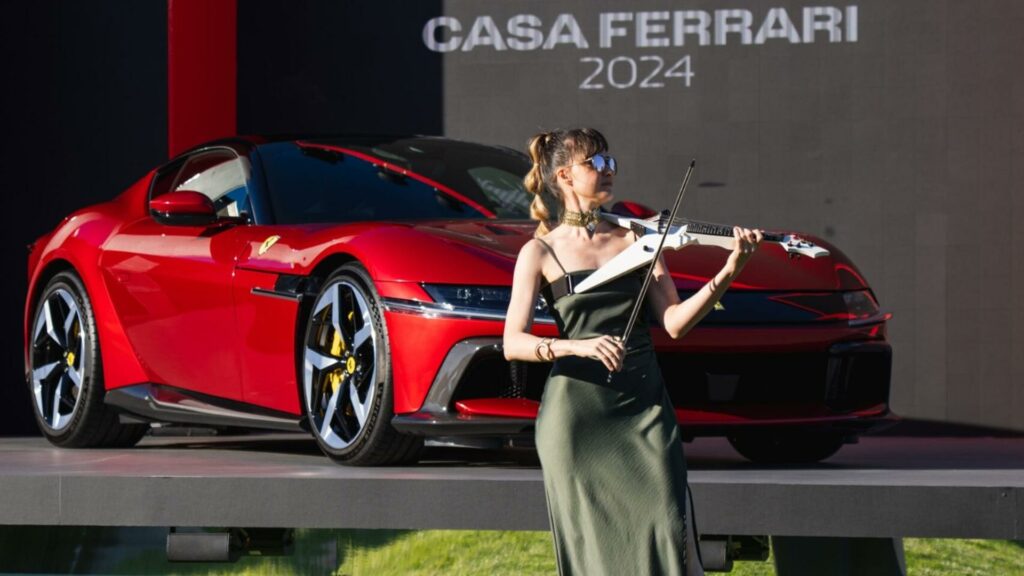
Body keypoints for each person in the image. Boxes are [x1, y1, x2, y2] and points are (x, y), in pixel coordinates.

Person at [503, 128, 763, 576]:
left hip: (643, 411)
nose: (608, 172)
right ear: (564, 175)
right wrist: (576, 346)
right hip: (577, 420)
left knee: (670, 535)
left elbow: (676, 323)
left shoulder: (638, 240)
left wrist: (730, 269)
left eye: (610, 163)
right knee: (597, 556)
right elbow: (513, 342)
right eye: (595, 164)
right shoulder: (538, 251)